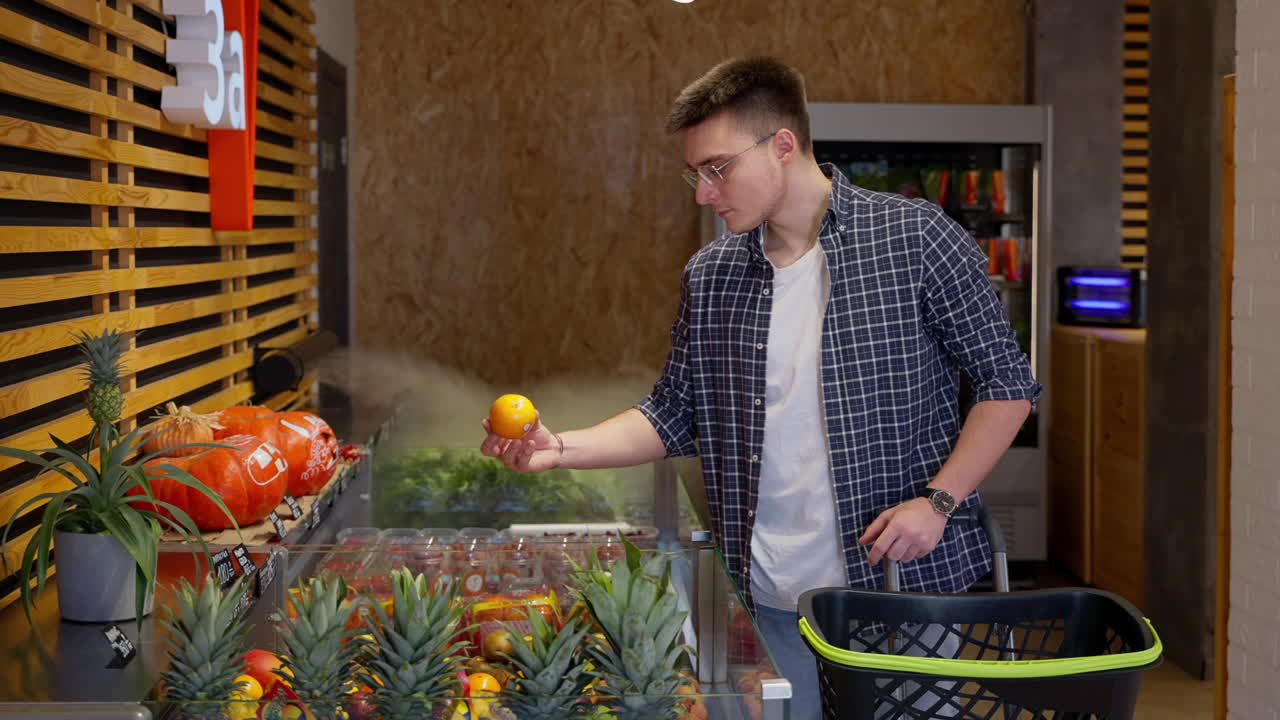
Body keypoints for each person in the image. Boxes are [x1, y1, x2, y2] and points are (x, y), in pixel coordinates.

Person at [480, 56, 1041, 719]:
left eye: (717, 168)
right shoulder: (711, 274)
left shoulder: (915, 239)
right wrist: (559, 447)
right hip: (771, 601)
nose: (703, 192)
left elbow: (1008, 386)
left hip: (900, 592)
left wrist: (939, 501)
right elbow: (672, 414)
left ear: (782, 145)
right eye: (694, 173)